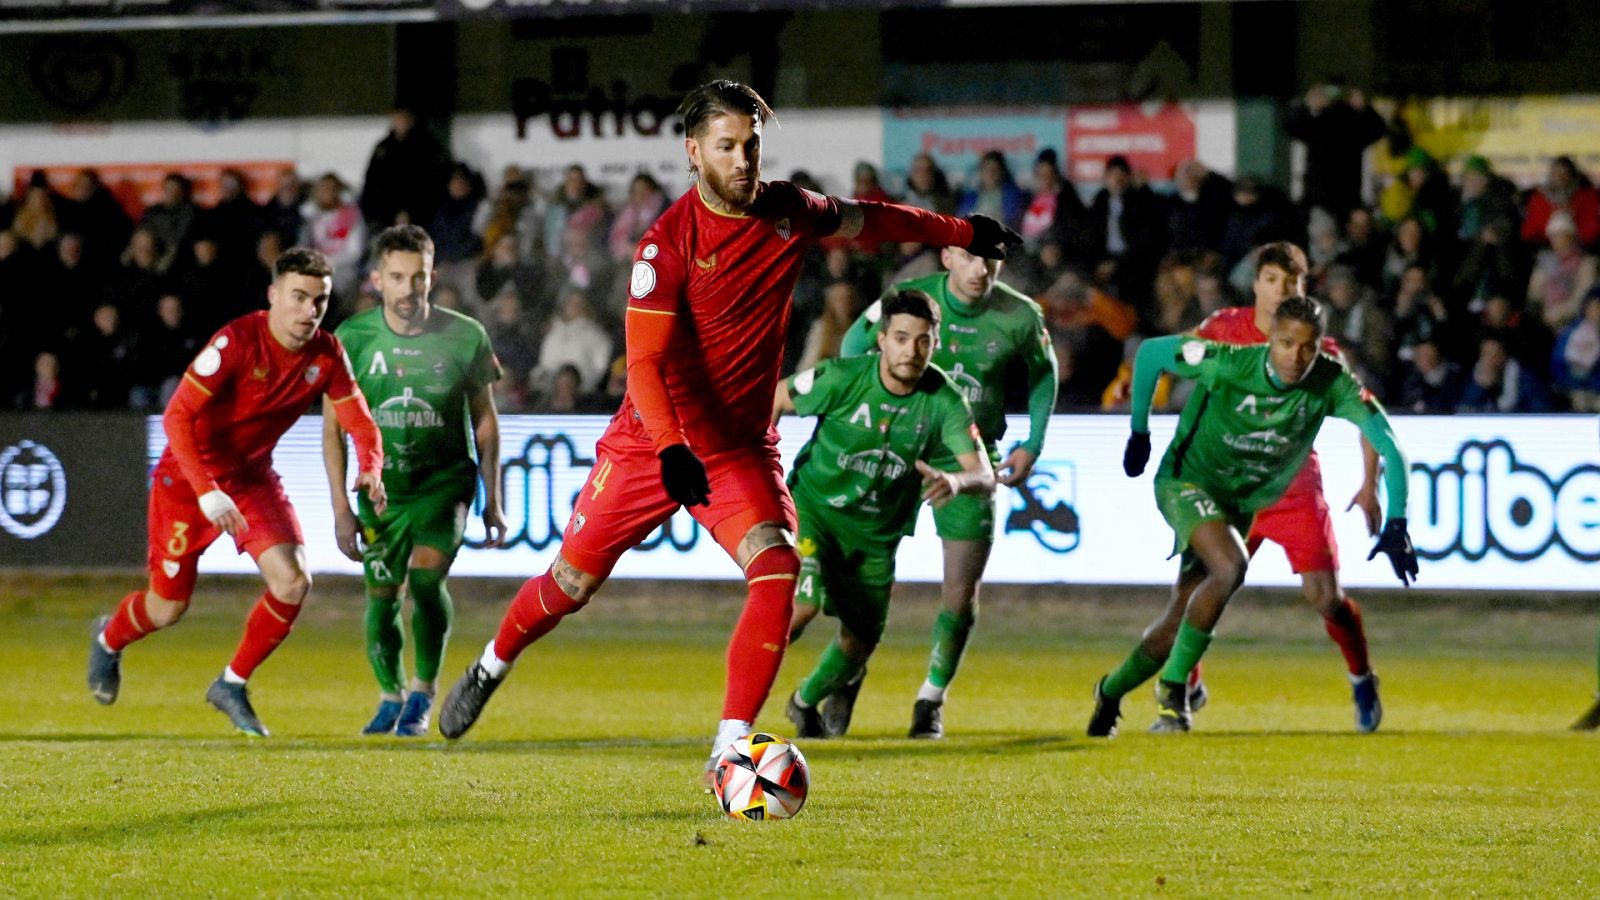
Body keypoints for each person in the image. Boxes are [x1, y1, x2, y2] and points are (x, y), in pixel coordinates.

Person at [435, 80, 1020, 774]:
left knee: (777, 567)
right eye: (727, 147)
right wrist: (673, 447)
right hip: (651, 444)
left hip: (738, 450)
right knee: (570, 584)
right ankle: (491, 664)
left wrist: (962, 232)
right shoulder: (665, 248)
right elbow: (644, 367)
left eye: (752, 145)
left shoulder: (789, 210)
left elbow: (871, 218)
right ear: (693, 152)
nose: (743, 159)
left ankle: (730, 748)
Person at [86, 248, 386, 736]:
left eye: (320, 301)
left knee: (292, 582)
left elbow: (360, 422)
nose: (309, 311)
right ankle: (109, 638)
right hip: (187, 482)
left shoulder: (327, 353)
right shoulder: (237, 342)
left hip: (250, 480)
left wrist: (371, 468)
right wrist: (206, 491)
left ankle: (231, 683)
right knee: (167, 608)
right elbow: (177, 417)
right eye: (298, 297)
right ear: (273, 297)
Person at [1088, 296, 1417, 737]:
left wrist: (1397, 520)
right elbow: (1149, 354)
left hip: (1249, 498)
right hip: (1190, 482)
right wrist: (1139, 431)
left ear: (1321, 345)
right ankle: (1174, 690)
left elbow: (1391, 445)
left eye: (1307, 347)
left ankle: (1110, 691)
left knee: (1180, 617)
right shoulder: (1228, 361)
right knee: (1231, 566)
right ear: (1269, 340)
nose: (1295, 357)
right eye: (1284, 344)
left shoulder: (1330, 381)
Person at [833, 241, 1057, 739]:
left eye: (991, 261)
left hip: (970, 462)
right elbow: (852, 347)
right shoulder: (909, 300)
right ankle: (845, 673)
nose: (981, 270)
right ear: (947, 256)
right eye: (971, 257)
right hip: (898, 453)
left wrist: (1034, 442)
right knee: (866, 585)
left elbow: (1045, 373)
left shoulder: (1020, 317)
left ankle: (930, 700)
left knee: (960, 593)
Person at [777, 289, 993, 739]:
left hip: (876, 535)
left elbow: (983, 473)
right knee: (803, 605)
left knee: (860, 642)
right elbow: (776, 398)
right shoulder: (841, 378)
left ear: (935, 343)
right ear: (881, 339)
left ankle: (803, 701)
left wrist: (956, 481)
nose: (910, 350)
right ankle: (735, 722)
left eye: (922, 341)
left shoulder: (943, 399)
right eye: (900, 337)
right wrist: (763, 463)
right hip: (815, 513)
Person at [1190, 243, 1389, 730]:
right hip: (1232, 489)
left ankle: (1362, 677)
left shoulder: (1323, 352)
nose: (1282, 290)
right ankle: (1184, 683)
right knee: (1201, 588)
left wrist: (1370, 483)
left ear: (1305, 289)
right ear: (1256, 283)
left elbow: (1370, 419)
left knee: (1325, 597)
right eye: (1273, 280)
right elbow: (1179, 359)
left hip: (1293, 489)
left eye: (1292, 283)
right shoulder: (1221, 328)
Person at [323, 225, 506, 737]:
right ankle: (390, 695)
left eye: (418, 277)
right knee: (381, 599)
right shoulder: (351, 340)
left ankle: (423, 691)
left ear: (433, 276)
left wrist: (494, 498)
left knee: (425, 580)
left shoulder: (466, 335)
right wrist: (340, 506)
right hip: (381, 494)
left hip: (444, 485)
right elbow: (333, 428)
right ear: (378, 279)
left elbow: (485, 419)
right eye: (397, 277)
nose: (409, 289)